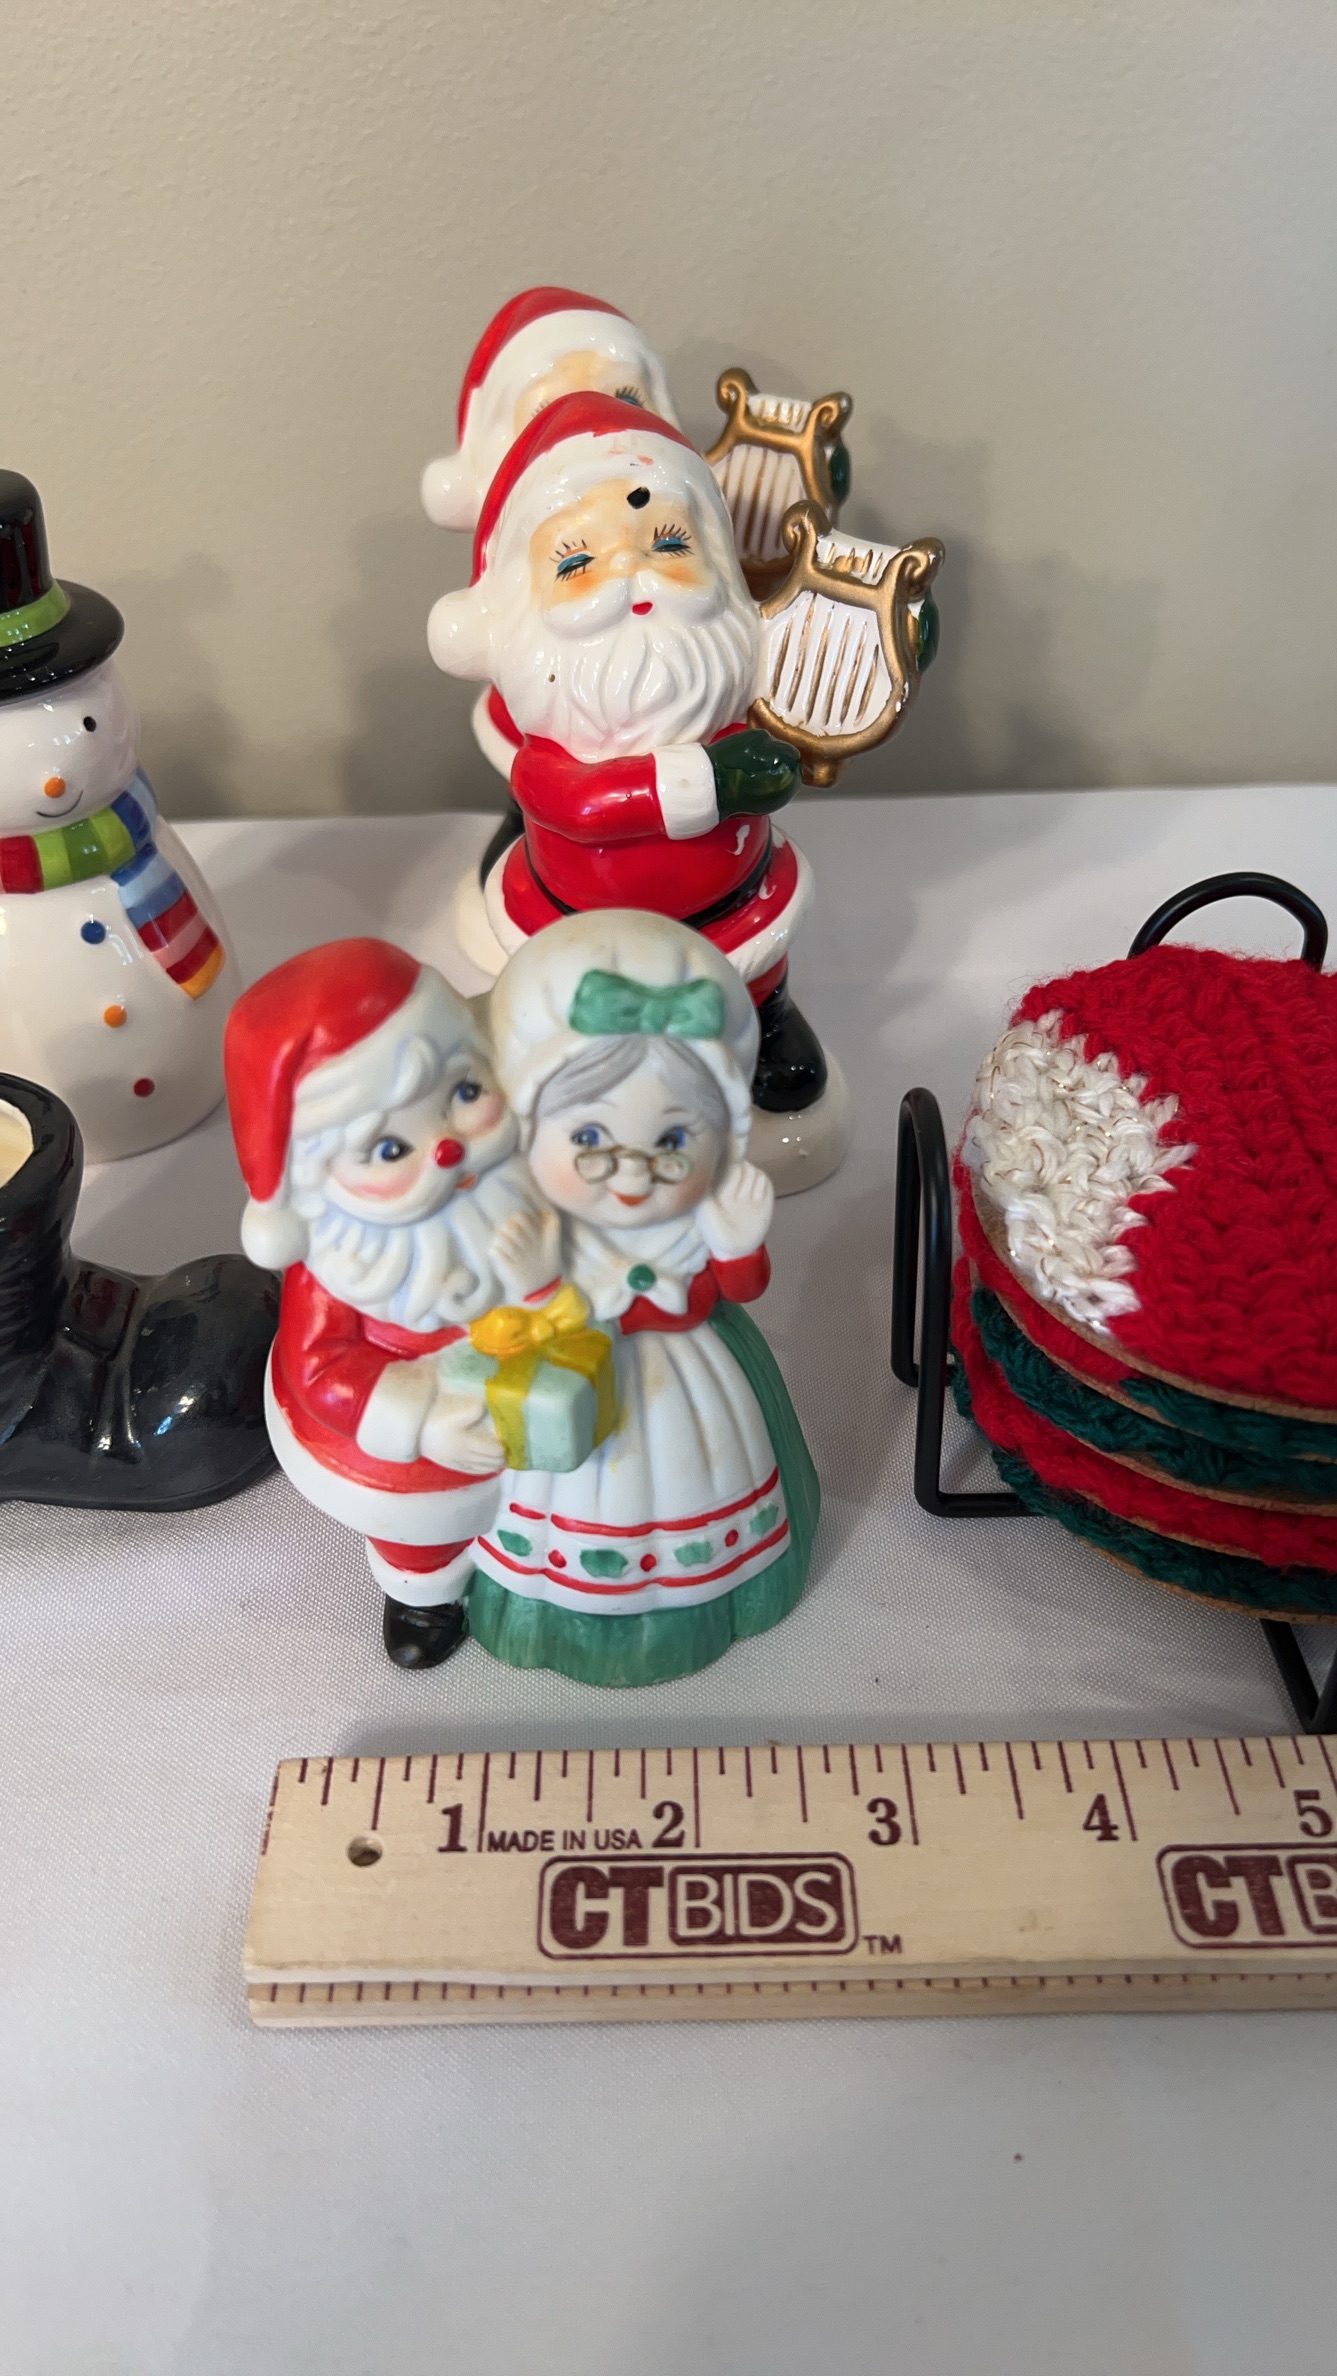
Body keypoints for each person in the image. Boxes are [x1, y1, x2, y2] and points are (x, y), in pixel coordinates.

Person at [427, 391, 828, 1116]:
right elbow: (582, 807)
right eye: (578, 561)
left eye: (668, 545)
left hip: (732, 901)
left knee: (755, 965)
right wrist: (711, 781)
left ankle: (764, 1021)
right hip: (590, 922)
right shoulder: (550, 750)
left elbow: (825, 687)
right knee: (580, 999)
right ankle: (592, 1063)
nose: (631, 573)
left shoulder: (727, 676)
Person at [467, 907, 820, 1685]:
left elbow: (740, 1289)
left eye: (671, 1141)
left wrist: (737, 1243)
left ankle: (715, 1590)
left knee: (703, 1483)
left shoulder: (701, 1214)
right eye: (588, 1139)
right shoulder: (539, 1225)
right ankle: (549, 1599)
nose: (630, 1173)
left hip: (691, 1381)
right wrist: (536, 1281)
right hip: (569, 1388)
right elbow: (511, 1319)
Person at [223, 937, 556, 1667]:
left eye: (464, 1093)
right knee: (421, 1528)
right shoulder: (340, 1264)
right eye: (389, 1149)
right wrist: (422, 1424)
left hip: (549, 1377)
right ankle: (425, 1593)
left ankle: (549, 1564)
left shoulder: (524, 1181)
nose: (446, 1149)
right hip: (418, 1425)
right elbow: (321, 1368)